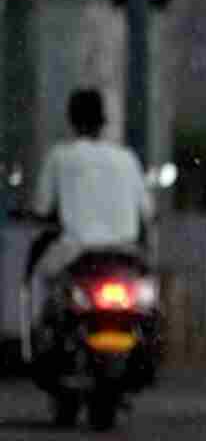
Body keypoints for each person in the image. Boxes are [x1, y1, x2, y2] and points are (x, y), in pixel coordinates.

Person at [25, 89, 153, 325]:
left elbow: (41, 209)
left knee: (40, 280)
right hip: (124, 255)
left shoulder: (60, 157)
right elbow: (147, 211)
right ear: (103, 122)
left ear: (71, 120)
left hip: (76, 253)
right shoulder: (127, 158)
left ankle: (38, 339)